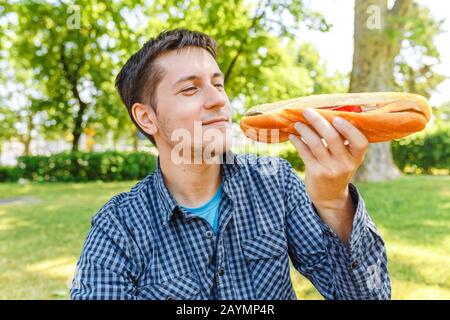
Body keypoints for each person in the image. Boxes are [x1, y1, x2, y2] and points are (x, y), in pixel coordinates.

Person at [70, 28, 390, 300]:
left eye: (218, 84)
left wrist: (334, 202)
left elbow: (367, 296)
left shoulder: (276, 183)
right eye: (190, 88)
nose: (219, 100)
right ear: (146, 117)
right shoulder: (118, 226)